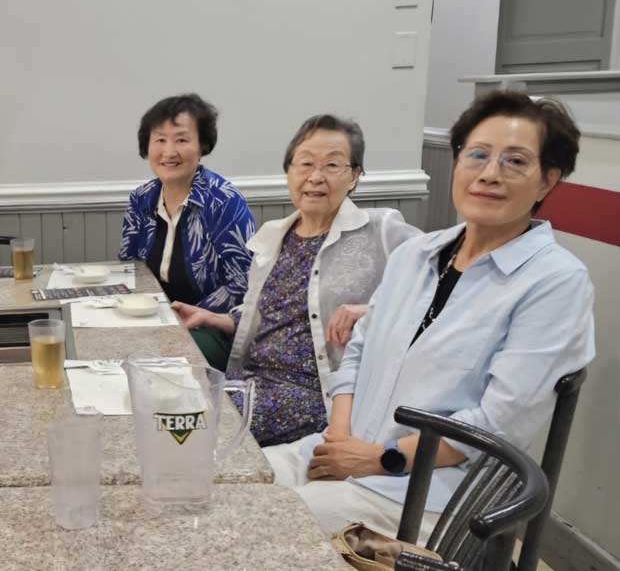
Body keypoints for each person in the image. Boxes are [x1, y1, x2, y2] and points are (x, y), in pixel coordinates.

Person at [263, 91, 595, 538]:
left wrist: (379, 459)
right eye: (477, 154)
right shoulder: (417, 254)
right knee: (226, 479)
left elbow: (500, 422)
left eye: (515, 161)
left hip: (426, 492)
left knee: (261, 528)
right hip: (343, 450)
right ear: (457, 163)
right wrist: (339, 442)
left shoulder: (555, 282)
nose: (489, 173)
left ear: (547, 181)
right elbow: (357, 351)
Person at [171, 115, 421, 444]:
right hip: (250, 381)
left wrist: (369, 312)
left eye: (332, 165)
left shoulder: (381, 230)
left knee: (191, 422)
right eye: (305, 163)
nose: (315, 177)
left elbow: (440, 286)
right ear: (289, 171)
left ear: (354, 176)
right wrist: (214, 318)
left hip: (316, 395)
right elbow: (268, 315)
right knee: (165, 397)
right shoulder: (274, 236)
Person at [118, 93, 256, 315]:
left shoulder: (223, 200)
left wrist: (184, 316)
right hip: (151, 316)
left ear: (202, 145)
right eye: (160, 140)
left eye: (181, 140)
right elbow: (130, 266)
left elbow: (243, 282)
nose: (169, 152)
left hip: (210, 321)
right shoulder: (141, 198)